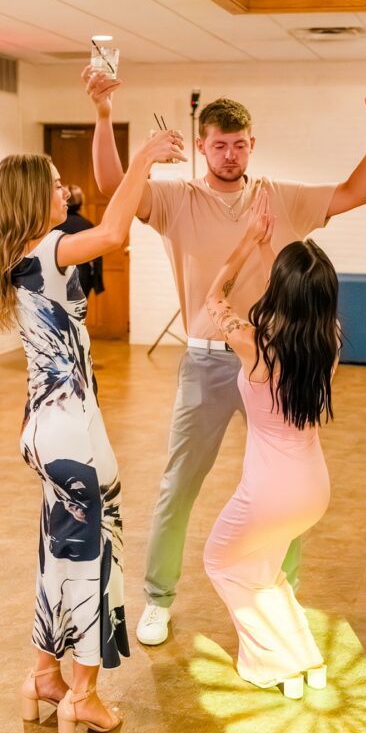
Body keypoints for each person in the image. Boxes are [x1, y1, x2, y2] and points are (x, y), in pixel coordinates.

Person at [82, 68, 366, 647]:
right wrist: (105, 115)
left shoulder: (281, 196)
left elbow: (355, 193)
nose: (229, 154)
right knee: (179, 484)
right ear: (202, 146)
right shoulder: (177, 198)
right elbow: (111, 185)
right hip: (207, 361)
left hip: (274, 366)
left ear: (251, 144)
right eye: (219, 145)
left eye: (238, 144)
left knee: (285, 485)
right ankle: (158, 598)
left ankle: (284, 591)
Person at [2, 131, 184, 732]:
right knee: (95, 557)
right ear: (32, 196)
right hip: (70, 433)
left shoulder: (21, 254)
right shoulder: (51, 246)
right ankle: (82, 695)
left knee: (59, 552)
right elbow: (111, 234)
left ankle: (43, 676)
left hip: (43, 428)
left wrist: (105, 115)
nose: (65, 191)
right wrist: (144, 159)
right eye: (55, 184)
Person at [202, 189, 338, 697]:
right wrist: (268, 246)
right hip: (312, 489)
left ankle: (272, 665)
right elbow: (298, 291)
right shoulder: (329, 339)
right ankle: (306, 661)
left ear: (280, 289)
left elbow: (213, 300)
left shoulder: (252, 343)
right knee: (263, 574)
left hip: (268, 493)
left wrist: (245, 244)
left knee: (219, 561)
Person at [55, 185, 104, 298]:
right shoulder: (87, 225)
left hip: (57, 273)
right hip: (82, 275)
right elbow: (96, 256)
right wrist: (97, 283)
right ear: (81, 202)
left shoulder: (53, 223)